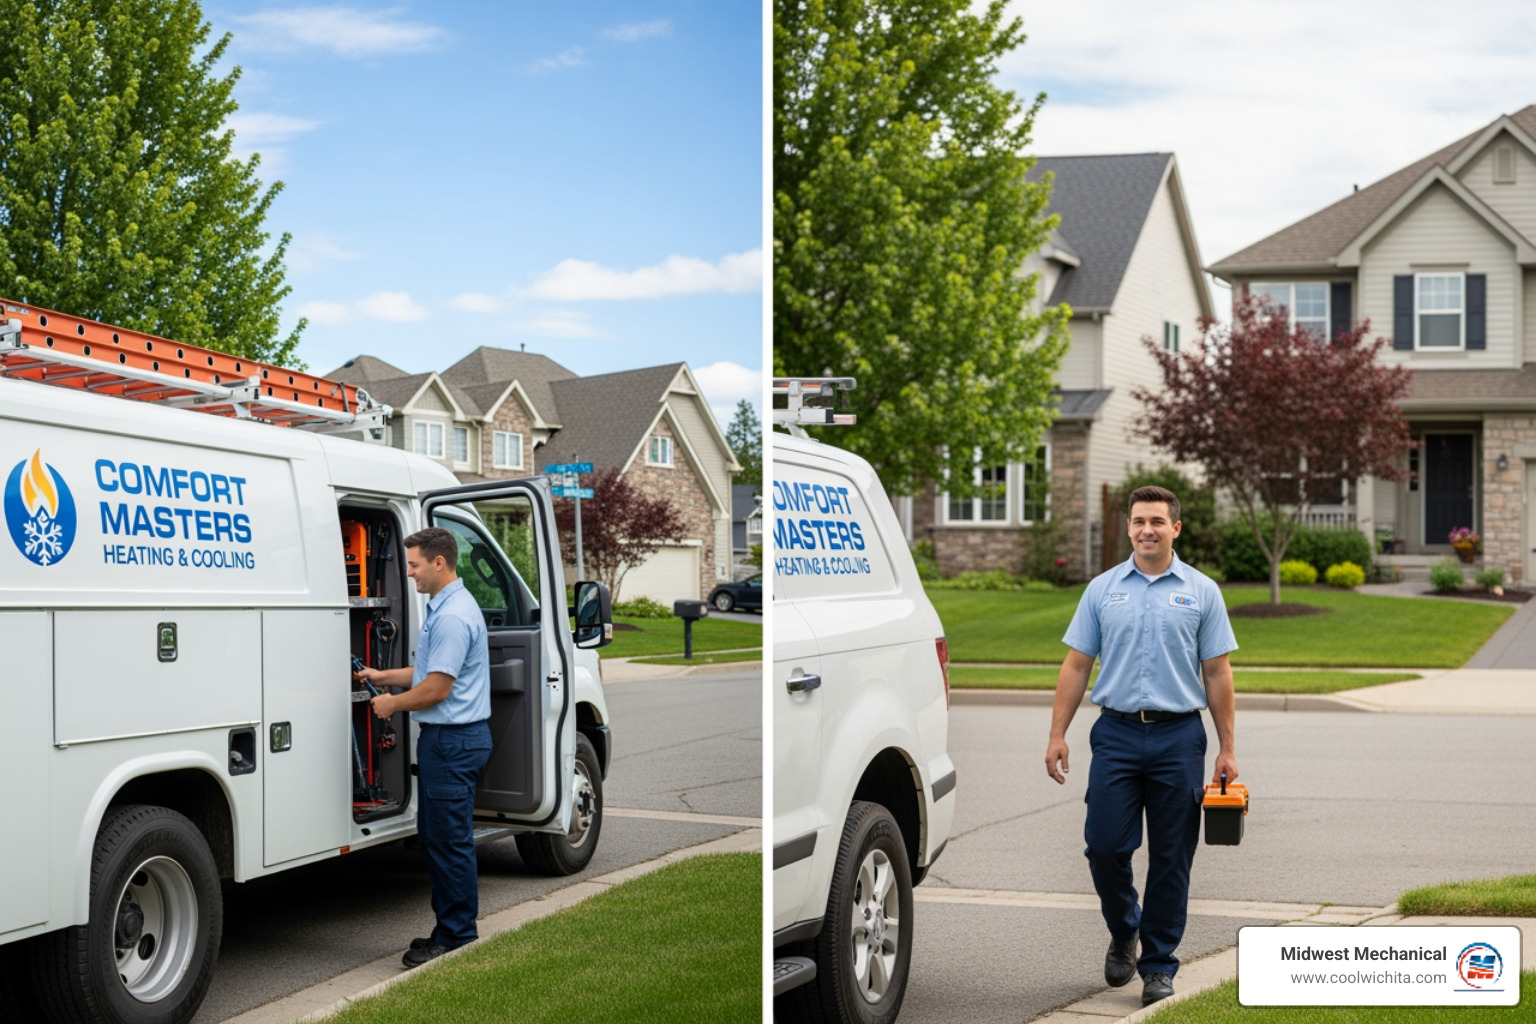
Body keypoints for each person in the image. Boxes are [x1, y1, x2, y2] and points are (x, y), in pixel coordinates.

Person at [1043, 485, 1238, 1007]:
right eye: (1137, 521)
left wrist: (1226, 748)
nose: (1146, 529)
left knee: (1172, 856)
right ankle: (1124, 927)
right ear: (1128, 528)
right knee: (1105, 847)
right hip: (1117, 734)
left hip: (1179, 736)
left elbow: (1217, 672)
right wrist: (1057, 733)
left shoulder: (1202, 591)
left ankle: (1157, 966)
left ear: (1176, 528)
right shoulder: (1103, 590)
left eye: (1156, 520)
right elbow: (1077, 664)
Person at [356, 527, 491, 969]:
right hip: (453, 742)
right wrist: (383, 676)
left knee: (448, 843)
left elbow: (435, 688)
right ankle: (450, 928)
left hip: (452, 743)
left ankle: (456, 937)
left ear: (439, 563)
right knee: (441, 840)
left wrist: (390, 705)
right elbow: (427, 670)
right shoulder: (448, 606)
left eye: (413, 565)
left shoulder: (451, 617)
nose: (409, 572)